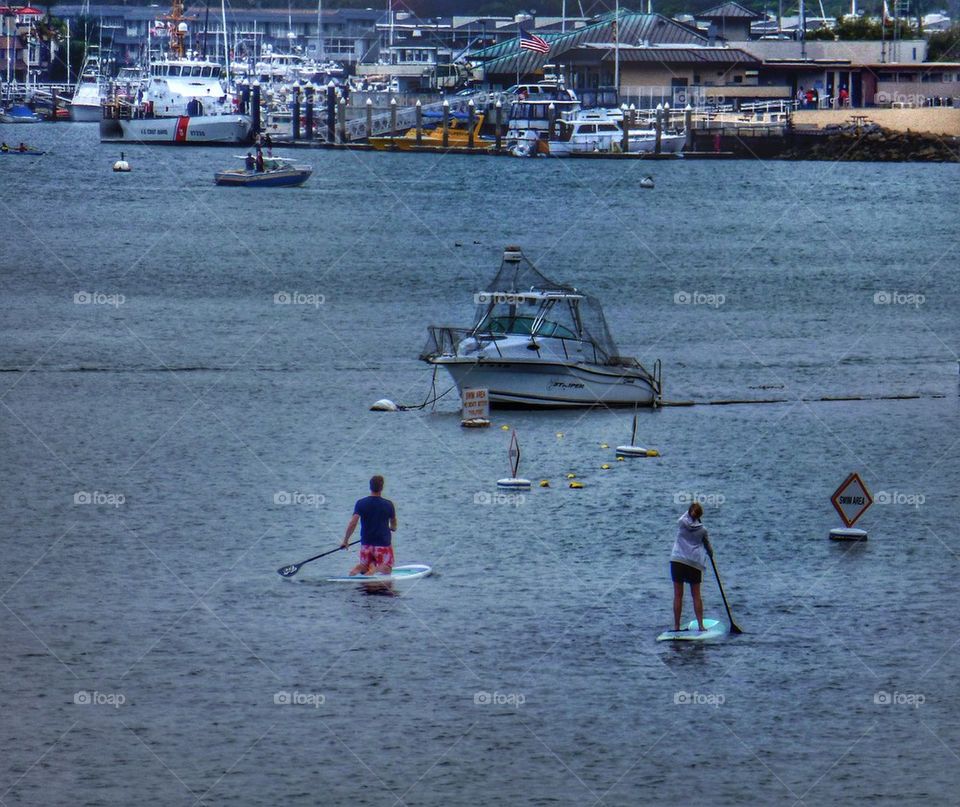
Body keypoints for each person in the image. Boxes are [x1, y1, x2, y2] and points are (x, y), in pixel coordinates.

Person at [342, 475, 397, 576]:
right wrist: (393, 528)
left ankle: (353, 573)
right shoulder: (389, 504)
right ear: (382, 487)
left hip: (366, 544)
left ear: (370, 487)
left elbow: (353, 523)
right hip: (382, 544)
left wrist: (345, 541)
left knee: (363, 566)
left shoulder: (360, 503)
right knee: (388, 569)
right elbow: (394, 524)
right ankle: (375, 570)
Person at [670, 502, 710, 632]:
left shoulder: (682, 522)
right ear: (700, 516)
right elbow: (709, 549)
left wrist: (691, 509)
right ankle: (701, 626)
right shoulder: (703, 530)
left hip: (678, 561)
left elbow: (686, 515)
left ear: (688, 512)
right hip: (694, 564)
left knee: (678, 595)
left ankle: (676, 626)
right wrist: (710, 552)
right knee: (696, 595)